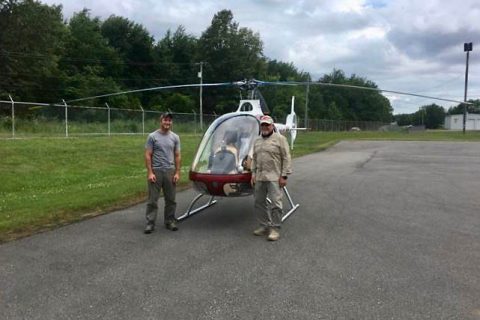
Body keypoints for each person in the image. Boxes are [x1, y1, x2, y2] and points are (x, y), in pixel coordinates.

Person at [251, 115, 292, 241]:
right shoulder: (257, 141)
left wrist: (284, 175)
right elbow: (255, 158)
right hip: (260, 177)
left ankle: (275, 228)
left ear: (272, 126)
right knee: (259, 202)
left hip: (274, 177)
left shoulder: (280, 139)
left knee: (275, 203)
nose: (265, 127)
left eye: (267, 125)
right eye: (263, 125)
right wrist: (253, 173)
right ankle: (264, 225)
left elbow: (286, 158)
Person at [144, 112, 181, 234]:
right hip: (156, 171)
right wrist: (150, 172)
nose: (167, 122)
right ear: (161, 121)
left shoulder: (175, 137)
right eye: (165, 120)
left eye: (169, 121)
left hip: (169, 171)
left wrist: (177, 172)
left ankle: (170, 221)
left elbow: (177, 155)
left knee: (171, 199)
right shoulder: (152, 136)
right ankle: (150, 223)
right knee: (152, 200)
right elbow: (148, 155)